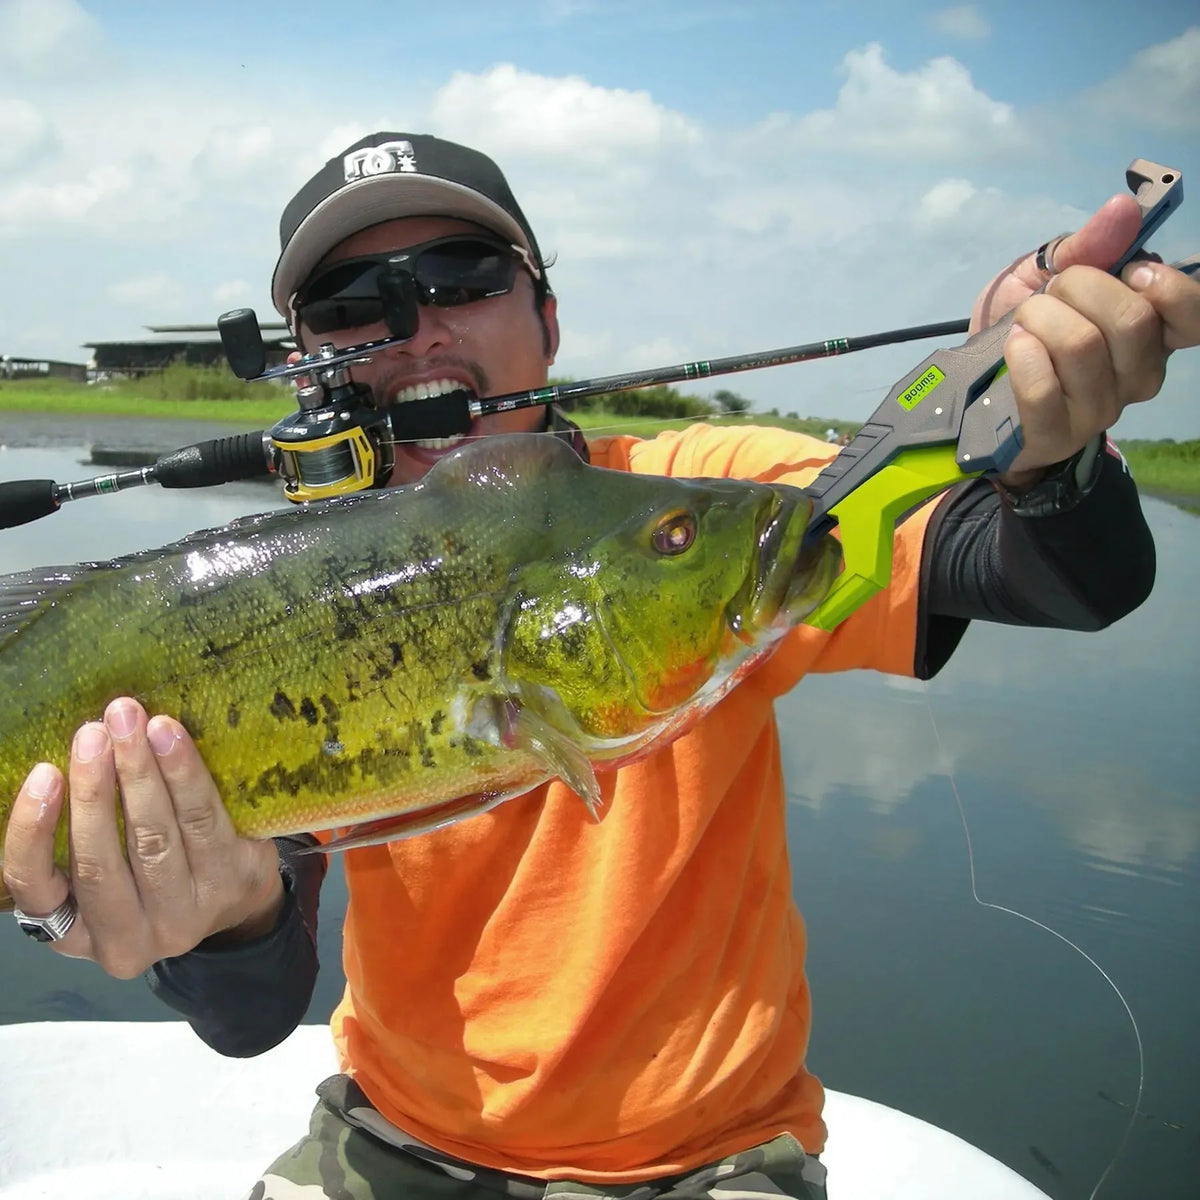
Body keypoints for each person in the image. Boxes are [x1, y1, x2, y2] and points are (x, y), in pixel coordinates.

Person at [5, 131, 1199, 1200]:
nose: (417, 326)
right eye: (350, 301)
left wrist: (1045, 445)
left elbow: (1054, 579)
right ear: (308, 356)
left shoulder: (691, 497)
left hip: (707, 1163)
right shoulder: (284, 589)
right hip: (390, 1141)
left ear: (549, 317)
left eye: (463, 279)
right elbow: (254, 1014)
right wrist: (204, 922)